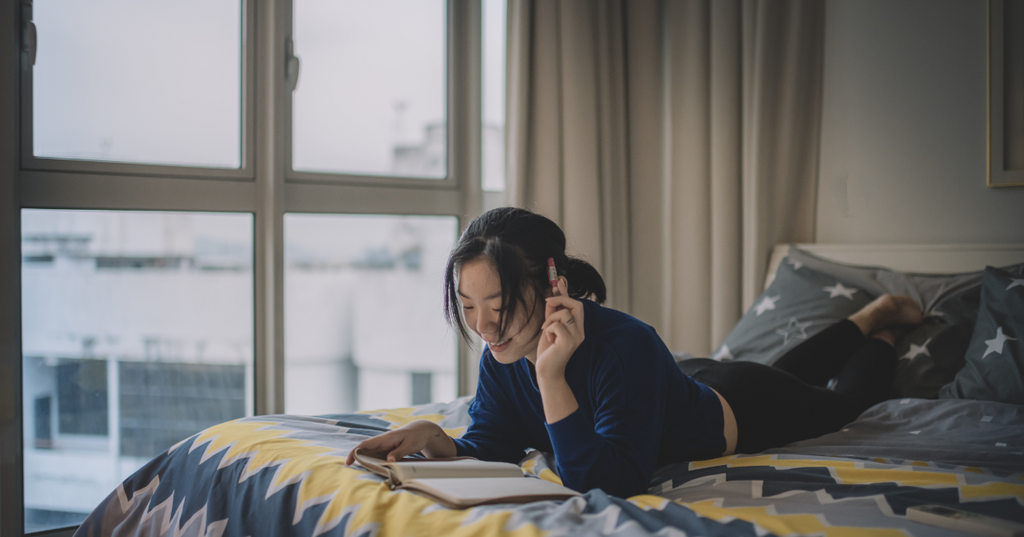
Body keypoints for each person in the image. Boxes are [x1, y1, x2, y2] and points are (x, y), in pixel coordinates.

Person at [346, 207, 923, 498]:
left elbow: (612, 481)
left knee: (843, 404)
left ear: (552, 285)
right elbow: (494, 444)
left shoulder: (626, 346)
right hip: (683, 383)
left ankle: (882, 328)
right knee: (778, 368)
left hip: (742, 409)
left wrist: (551, 377)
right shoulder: (501, 353)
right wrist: (437, 440)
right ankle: (864, 318)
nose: (485, 327)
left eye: (498, 304)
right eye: (468, 307)